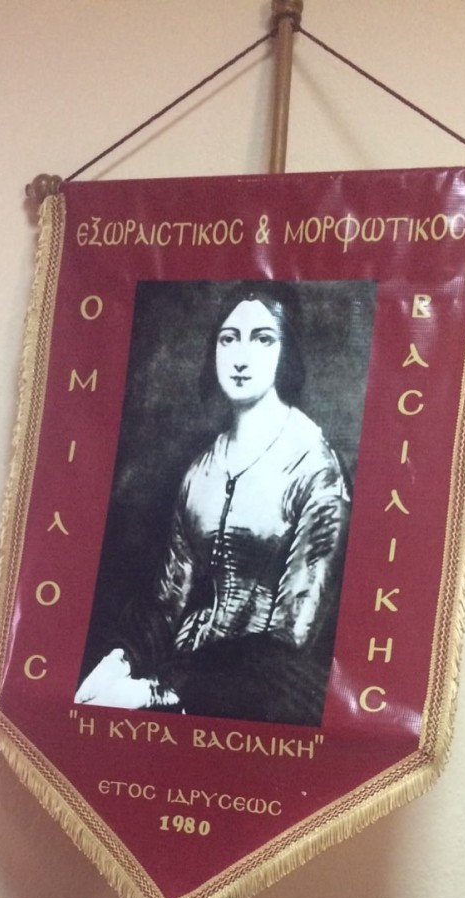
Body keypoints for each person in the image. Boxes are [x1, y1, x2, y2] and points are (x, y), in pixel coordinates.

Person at [75, 281, 351, 725]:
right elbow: (169, 602)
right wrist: (120, 662)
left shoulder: (315, 467)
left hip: (271, 690)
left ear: (286, 351)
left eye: (262, 339)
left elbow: (294, 636)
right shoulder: (200, 470)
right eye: (229, 339)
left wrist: (158, 691)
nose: (241, 357)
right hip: (183, 670)